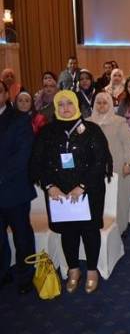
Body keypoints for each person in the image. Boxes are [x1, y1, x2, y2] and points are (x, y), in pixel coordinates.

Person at [30, 90, 112, 294]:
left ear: (76, 105)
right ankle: (73, 269)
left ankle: (92, 271)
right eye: (61, 104)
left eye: (69, 103)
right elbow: (38, 162)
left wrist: (82, 186)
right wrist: (49, 186)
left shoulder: (91, 130)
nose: (65, 108)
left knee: (90, 231)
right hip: (58, 193)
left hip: (89, 191)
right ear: (55, 108)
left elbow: (100, 161)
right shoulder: (47, 132)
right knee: (68, 232)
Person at [0, 81, 36, 295]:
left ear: (6, 95)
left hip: (14, 189)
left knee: (22, 236)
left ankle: (25, 276)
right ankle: (3, 272)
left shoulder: (20, 119)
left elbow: (22, 155)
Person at [88, 93, 130, 236]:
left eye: (105, 103)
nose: (101, 106)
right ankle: (100, 228)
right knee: (97, 198)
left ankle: (120, 227)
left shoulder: (119, 122)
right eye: (98, 103)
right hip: (94, 168)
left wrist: (127, 163)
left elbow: (128, 144)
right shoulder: (87, 123)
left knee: (119, 198)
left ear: (110, 104)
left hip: (118, 166)